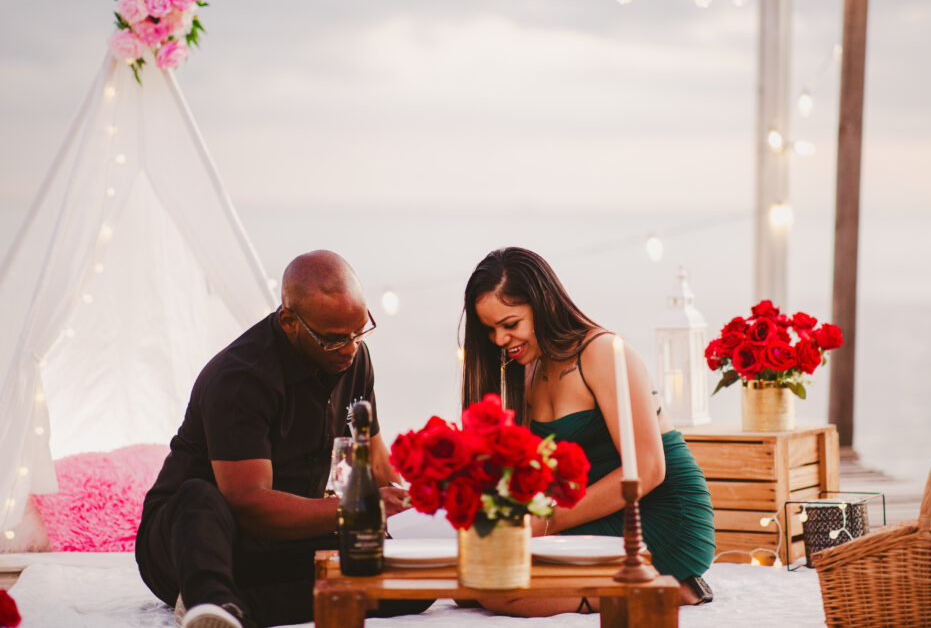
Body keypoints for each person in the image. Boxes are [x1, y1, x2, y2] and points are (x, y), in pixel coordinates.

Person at [136, 250, 432, 628]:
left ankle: (237, 609)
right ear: (290, 322)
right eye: (333, 339)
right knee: (199, 495)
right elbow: (248, 504)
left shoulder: (355, 358)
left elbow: (375, 463)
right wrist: (356, 511)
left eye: (360, 331)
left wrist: (427, 502)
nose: (350, 348)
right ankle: (209, 596)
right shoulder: (241, 378)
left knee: (409, 584)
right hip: (194, 541)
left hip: (279, 541)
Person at [461, 247, 716, 616]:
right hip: (589, 512)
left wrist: (547, 522)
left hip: (663, 515)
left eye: (510, 324)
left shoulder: (602, 353)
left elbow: (648, 469)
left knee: (500, 592)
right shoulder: (527, 366)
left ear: (544, 302)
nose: (500, 339)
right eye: (490, 330)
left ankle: (664, 591)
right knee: (471, 580)